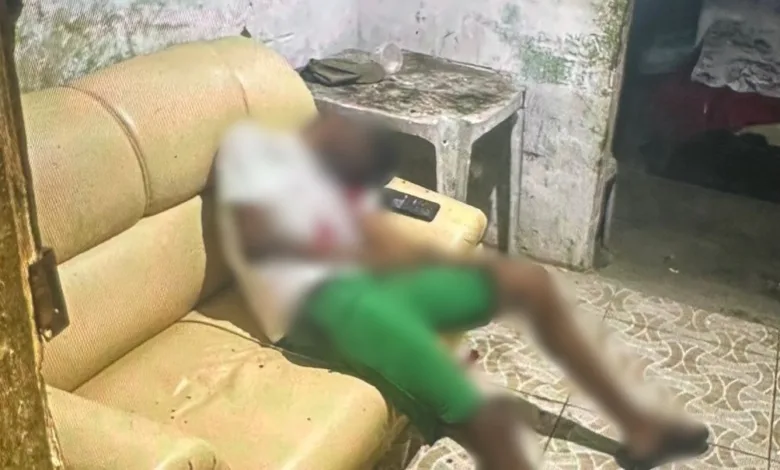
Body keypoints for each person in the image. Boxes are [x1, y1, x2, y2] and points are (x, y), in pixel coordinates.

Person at [215, 112, 709, 470]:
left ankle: (641, 428)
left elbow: (385, 245)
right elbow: (260, 236)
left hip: (367, 285)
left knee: (528, 283)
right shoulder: (254, 149)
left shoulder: (343, 180)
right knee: (481, 412)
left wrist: (467, 274)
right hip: (318, 307)